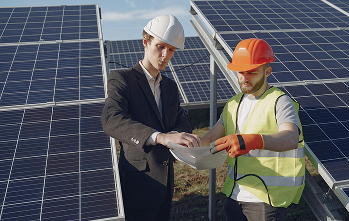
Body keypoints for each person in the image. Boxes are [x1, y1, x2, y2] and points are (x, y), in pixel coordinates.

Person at [101, 15, 200, 221]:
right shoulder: (122, 79)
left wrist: (176, 135)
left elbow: (181, 121)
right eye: (160, 46)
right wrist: (160, 137)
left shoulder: (170, 87)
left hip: (166, 187)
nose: (165, 55)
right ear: (146, 42)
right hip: (138, 186)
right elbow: (111, 119)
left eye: (171, 49)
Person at [201, 38, 305, 221]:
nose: (244, 77)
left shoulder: (279, 101)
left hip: (265, 200)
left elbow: (291, 137)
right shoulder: (232, 104)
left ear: (268, 71)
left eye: (252, 72)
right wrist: (183, 144)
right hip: (234, 196)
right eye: (241, 72)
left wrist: (255, 140)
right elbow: (209, 139)